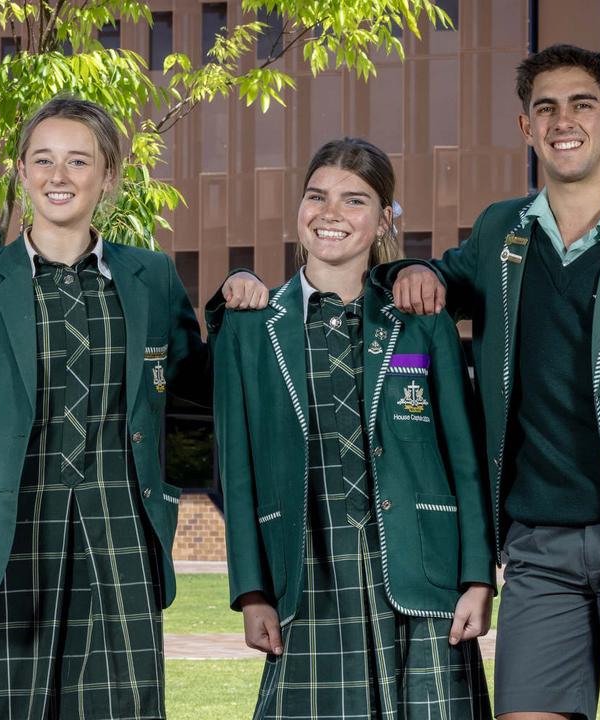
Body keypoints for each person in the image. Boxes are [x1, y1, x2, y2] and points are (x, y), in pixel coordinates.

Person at [389, 45, 600, 719]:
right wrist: (416, 273)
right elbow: (439, 279)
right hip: (537, 544)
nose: (563, 120)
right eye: (545, 107)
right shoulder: (500, 233)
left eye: (582, 104)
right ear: (526, 127)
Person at [0, 96, 262, 719]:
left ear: (109, 174)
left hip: (120, 539)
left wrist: (232, 307)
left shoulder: (151, 278)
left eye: (77, 161)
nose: (58, 176)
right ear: (20, 171)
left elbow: (195, 404)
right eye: (42, 160)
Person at [214, 137, 494, 719]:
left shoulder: (422, 320)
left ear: (387, 218)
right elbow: (237, 473)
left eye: (355, 200)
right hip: (307, 573)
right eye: (317, 197)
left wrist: (477, 578)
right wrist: (251, 592)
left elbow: (464, 459)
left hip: (425, 575)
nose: (331, 214)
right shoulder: (250, 328)